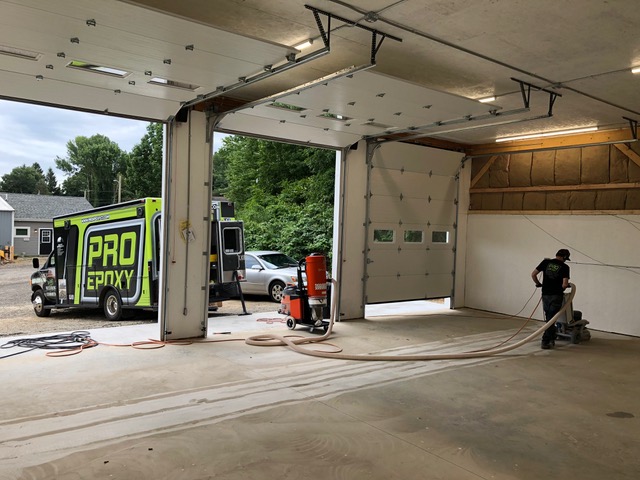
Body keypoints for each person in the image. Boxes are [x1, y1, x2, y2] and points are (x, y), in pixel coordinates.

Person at [531, 249, 571, 349]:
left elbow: (533, 274)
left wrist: (538, 284)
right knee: (551, 319)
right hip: (556, 295)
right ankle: (545, 341)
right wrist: (564, 287)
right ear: (565, 257)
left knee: (549, 317)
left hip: (545, 294)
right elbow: (565, 284)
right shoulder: (565, 267)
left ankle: (552, 337)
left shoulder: (546, 262)